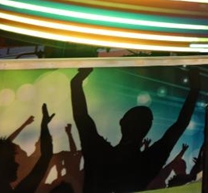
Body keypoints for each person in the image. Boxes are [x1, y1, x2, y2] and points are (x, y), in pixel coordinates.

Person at [70, 67, 200, 193]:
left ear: (122, 122)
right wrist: (194, 90)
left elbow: (81, 116)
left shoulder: (97, 153)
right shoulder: (147, 163)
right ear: (147, 129)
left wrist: (77, 81)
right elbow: (180, 125)